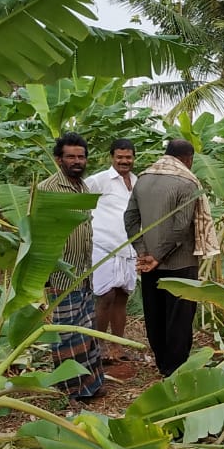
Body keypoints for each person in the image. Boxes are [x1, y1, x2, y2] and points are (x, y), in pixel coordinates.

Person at [124, 138, 220, 376]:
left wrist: (143, 252)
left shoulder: (143, 179)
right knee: (179, 317)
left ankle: (162, 364)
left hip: (148, 263)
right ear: (188, 159)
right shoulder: (187, 183)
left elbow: (130, 219)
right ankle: (175, 369)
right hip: (181, 263)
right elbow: (181, 228)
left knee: (154, 314)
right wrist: (158, 256)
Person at [37, 132, 105, 400]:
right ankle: (70, 389)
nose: (77, 161)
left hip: (83, 273)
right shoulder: (48, 189)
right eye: (71, 157)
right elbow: (38, 233)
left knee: (85, 331)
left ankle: (91, 384)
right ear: (59, 159)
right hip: (60, 276)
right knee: (66, 335)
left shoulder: (83, 187)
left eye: (81, 156)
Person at [86, 139, 138, 362]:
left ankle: (117, 346)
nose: (124, 161)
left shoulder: (137, 182)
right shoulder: (99, 180)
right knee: (105, 295)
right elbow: (80, 203)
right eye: (120, 157)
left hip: (129, 248)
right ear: (112, 157)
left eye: (128, 157)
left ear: (134, 158)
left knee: (122, 296)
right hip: (103, 246)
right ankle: (97, 347)